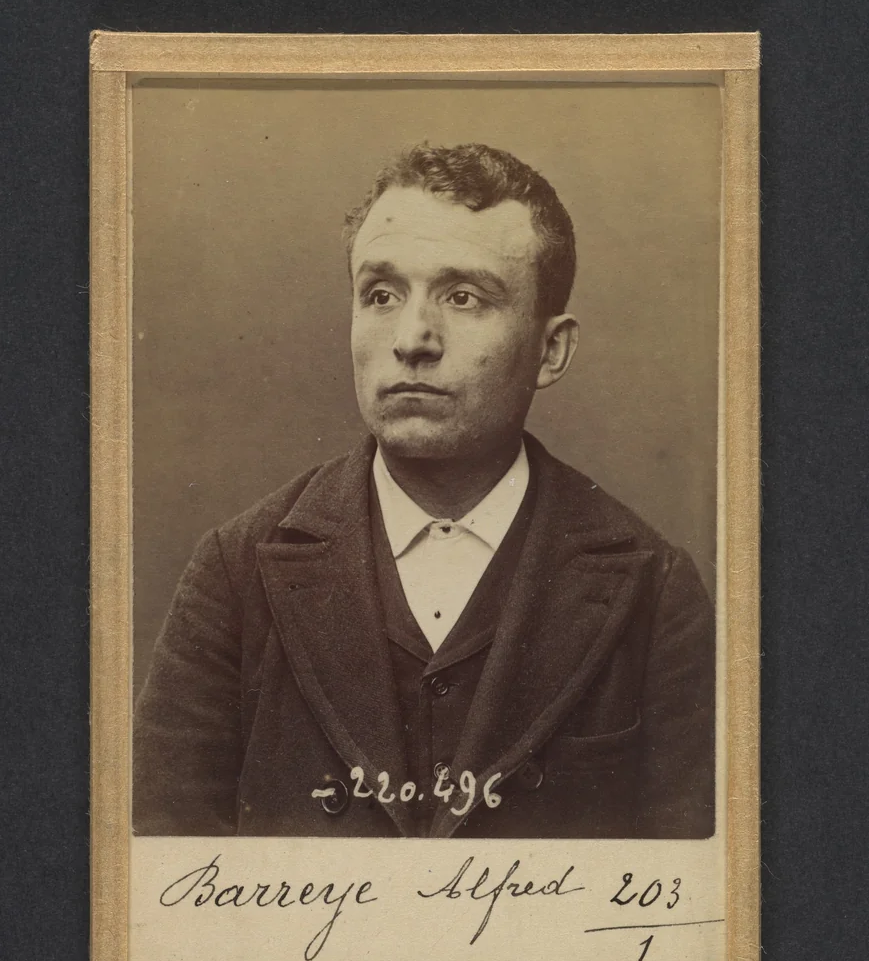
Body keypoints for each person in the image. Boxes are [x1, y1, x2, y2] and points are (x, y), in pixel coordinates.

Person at [133, 142, 715, 840]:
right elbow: (160, 892)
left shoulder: (654, 589)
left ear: (549, 350)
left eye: (463, 297)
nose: (411, 338)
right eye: (380, 295)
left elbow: (692, 910)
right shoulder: (234, 571)